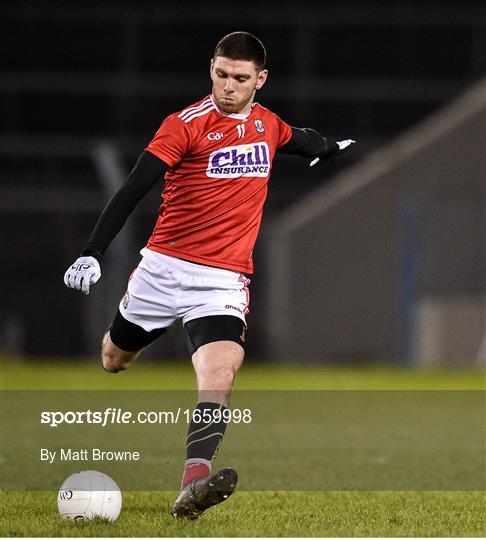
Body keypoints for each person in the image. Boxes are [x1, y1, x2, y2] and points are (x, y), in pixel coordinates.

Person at [64, 31, 355, 519]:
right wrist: (93, 251)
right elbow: (134, 187)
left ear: (260, 80)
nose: (228, 87)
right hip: (161, 270)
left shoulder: (268, 124)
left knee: (219, 374)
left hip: (222, 281)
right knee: (114, 358)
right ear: (212, 69)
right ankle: (128, 344)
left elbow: (297, 139)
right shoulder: (184, 125)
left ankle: (192, 486)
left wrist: (328, 147)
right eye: (221, 74)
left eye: (241, 78)